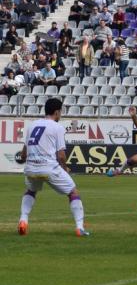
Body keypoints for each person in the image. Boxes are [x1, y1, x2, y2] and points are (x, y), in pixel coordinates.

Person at [17, 98, 89, 236]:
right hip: (48, 167)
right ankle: (80, 228)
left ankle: (23, 220)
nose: (61, 114)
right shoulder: (58, 128)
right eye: (61, 111)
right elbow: (61, 155)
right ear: (57, 112)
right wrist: (65, 168)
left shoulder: (32, 125)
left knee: (31, 191)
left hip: (31, 168)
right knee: (73, 193)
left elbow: (24, 154)